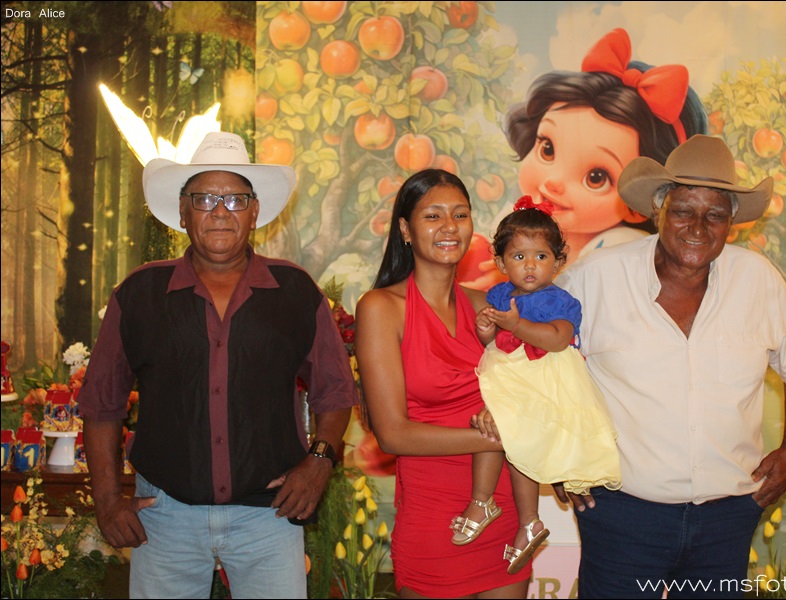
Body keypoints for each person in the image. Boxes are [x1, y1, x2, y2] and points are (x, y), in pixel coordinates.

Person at [79, 132, 356, 599]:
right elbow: (101, 404)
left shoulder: (295, 291)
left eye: (236, 199)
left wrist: (319, 462)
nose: (221, 211)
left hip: (269, 517)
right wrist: (106, 499)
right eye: (205, 199)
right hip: (162, 515)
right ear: (183, 212)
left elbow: (336, 391)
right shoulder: (140, 294)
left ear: (255, 211)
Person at [553, 135, 786, 599]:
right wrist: (558, 454)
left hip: (728, 517)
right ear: (658, 210)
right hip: (621, 514)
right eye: (683, 210)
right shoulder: (595, 278)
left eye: (714, 214)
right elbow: (543, 367)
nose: (698, 226)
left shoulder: (758, 280)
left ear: (730, 222)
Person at [354, 169, 530, 598]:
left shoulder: (490, 307)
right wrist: (504, 438)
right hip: (436, 519)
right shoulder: (381, 308)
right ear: (405, 230)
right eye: (433, 216)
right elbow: (392, 434)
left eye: (460, 214)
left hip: (502, 510)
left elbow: (533, 386)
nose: (450, 226)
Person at [454, 196, 620, 575]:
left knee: (518, 438)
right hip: (509, 372)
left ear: (558, 263)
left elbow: (558, 339)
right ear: (501, 264)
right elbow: (495, 343)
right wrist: (486, 330)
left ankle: (519, 515)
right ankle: (497, 507)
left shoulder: (559, 300)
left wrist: (515, 324)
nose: (530, 265)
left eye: (541, 256)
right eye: (519, 256)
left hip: (545, 379)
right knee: (500, 436)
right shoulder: (500, 295)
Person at [504, 27, 708, 262]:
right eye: (547, 150)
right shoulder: (522, 226)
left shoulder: (619, 248)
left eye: (596, 178)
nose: (554, 182)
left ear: (640, 204)